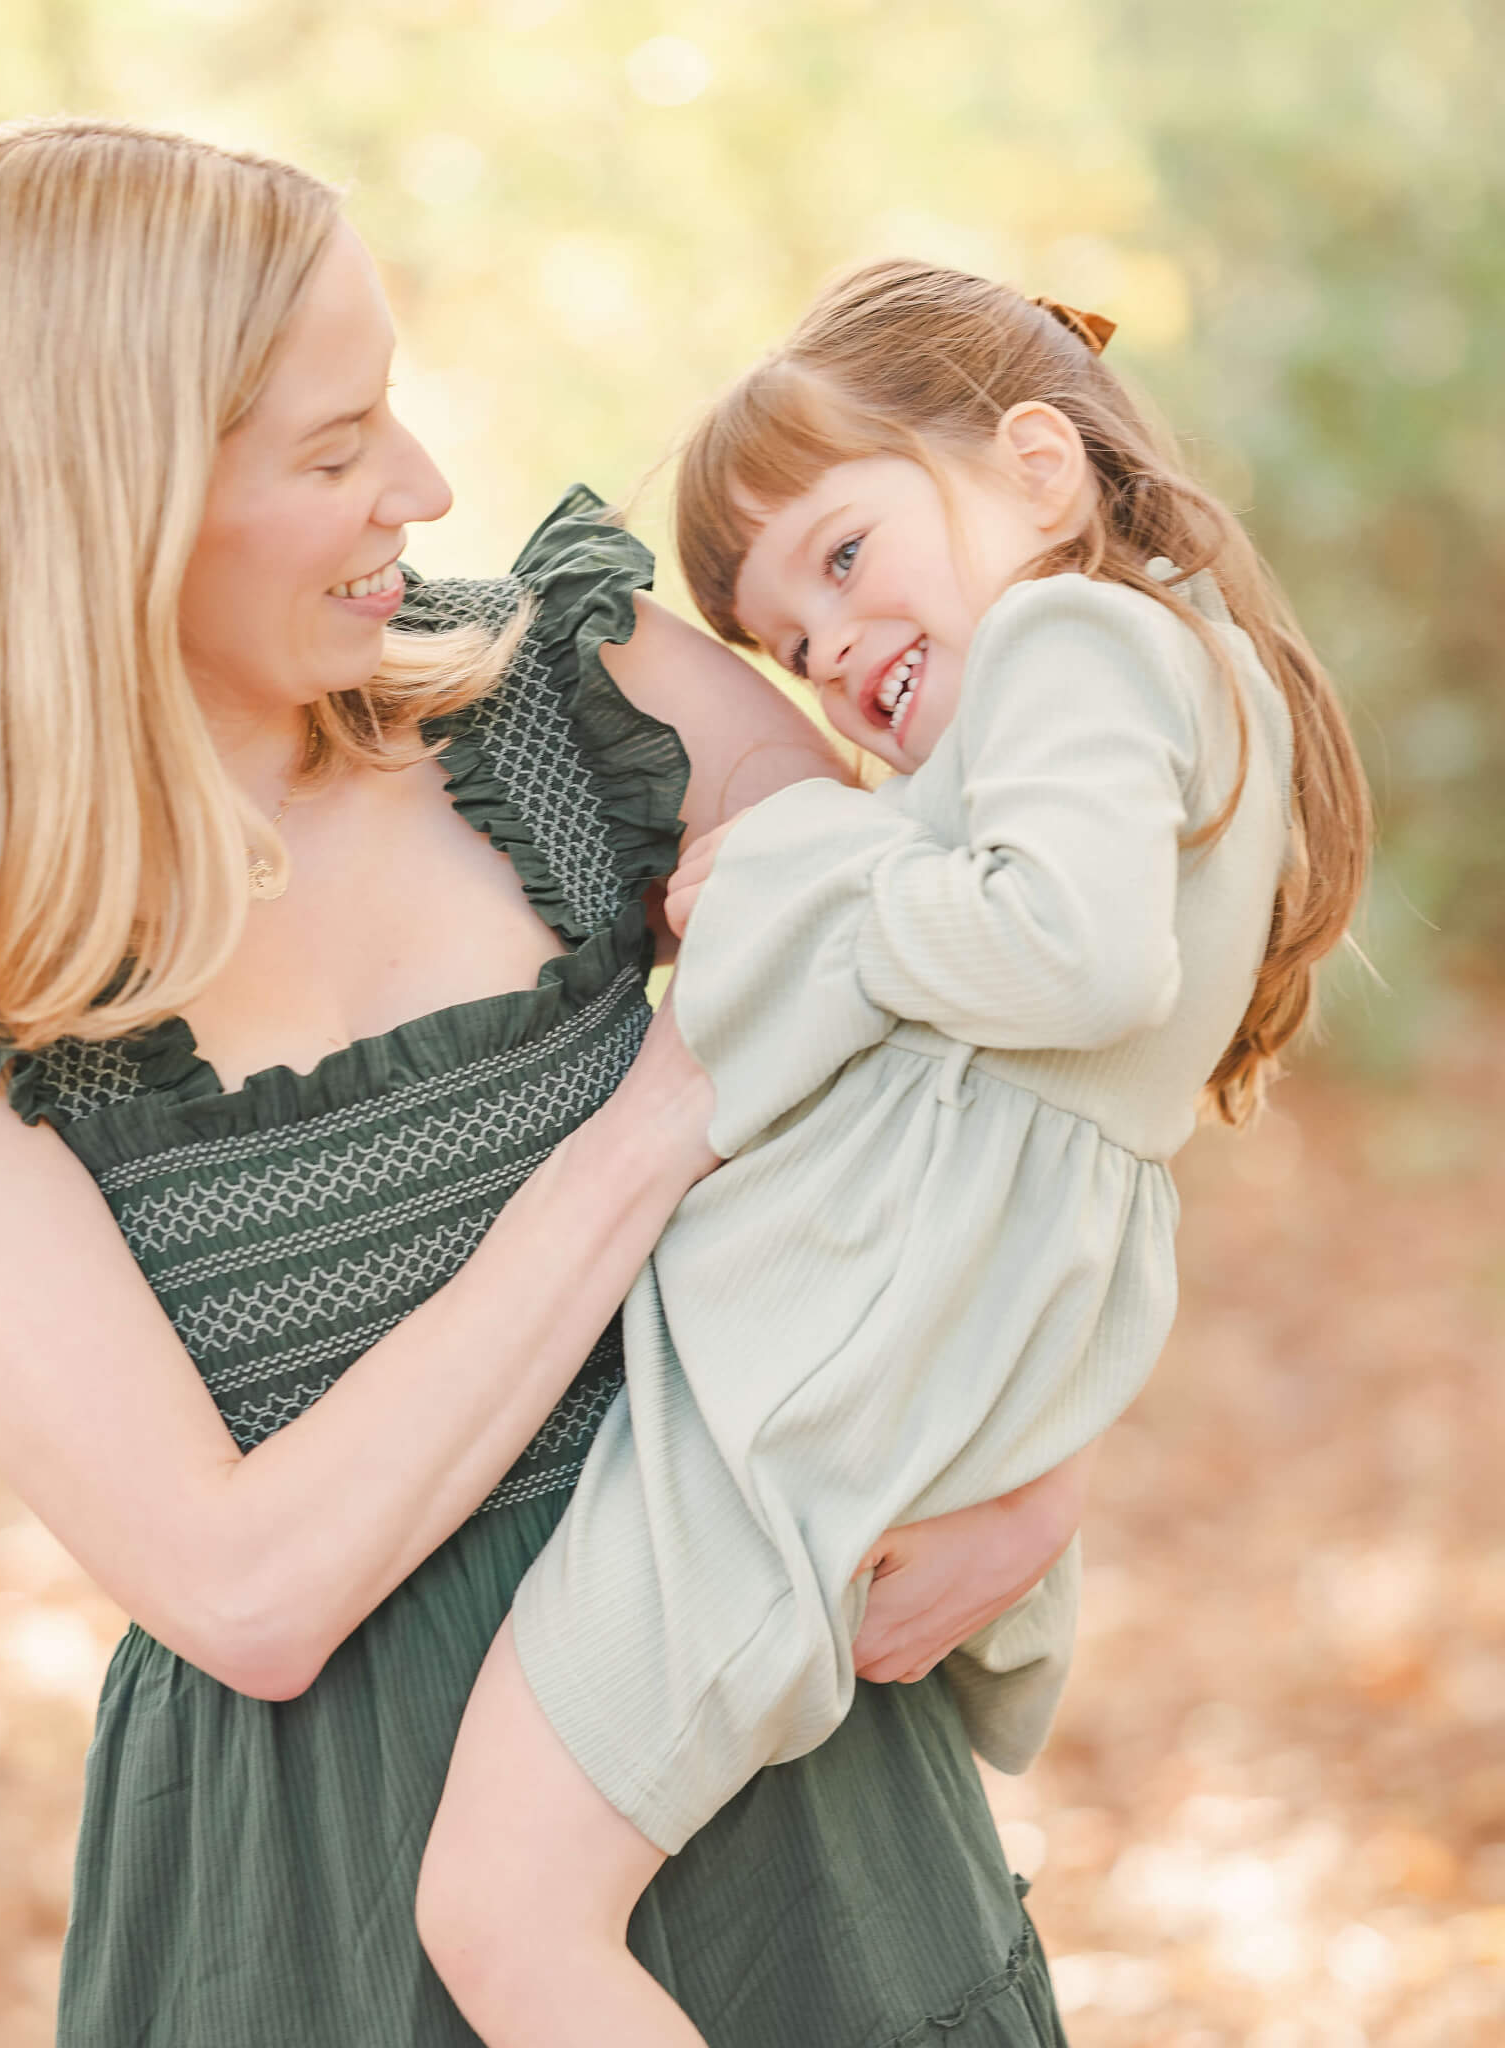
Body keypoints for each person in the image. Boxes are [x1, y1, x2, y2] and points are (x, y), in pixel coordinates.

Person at [0, 122, 1089, 2045]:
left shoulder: (576, 704)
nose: (420, 489)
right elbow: (244, 1584)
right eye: (335, 450)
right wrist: (663, 1112)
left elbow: (1040, 1065)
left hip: (804, 1858)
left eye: (394, 418)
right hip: (320, 1927)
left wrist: (1041, 1487)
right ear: (107, 501)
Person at [414, 260, 1372, 2046]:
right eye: (787, 645)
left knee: (502, 1908)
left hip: (842, 1352)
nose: (832, 658)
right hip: (919, 1318)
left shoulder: (1077, 640)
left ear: (1038, 466)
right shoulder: (1152, 666)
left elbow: (1078, 957)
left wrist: (800, 868)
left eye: (843, 560)